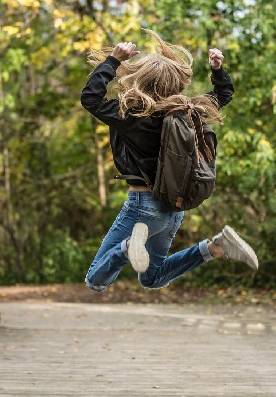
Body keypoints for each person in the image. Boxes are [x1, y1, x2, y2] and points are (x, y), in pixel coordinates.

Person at [81, 30, 258, 293]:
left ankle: (129, 247)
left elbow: (90, 98)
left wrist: (113, 60)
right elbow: (223, 96)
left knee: (95, 280)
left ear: (141, 78)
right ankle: (215, 247)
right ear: (175, 82)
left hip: (142, 207)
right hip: (173, 209)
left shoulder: (129, 115)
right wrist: (218, 71)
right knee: (152, 278)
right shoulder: (189, 113)